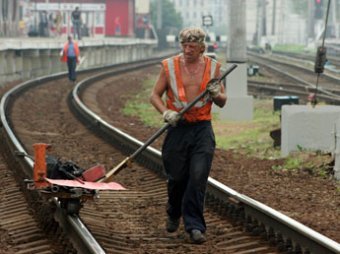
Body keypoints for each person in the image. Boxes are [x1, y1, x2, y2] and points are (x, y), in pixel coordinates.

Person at [149, 27, 226, 244]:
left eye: (192, 46)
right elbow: (154, 95)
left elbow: (223, 100)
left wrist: (216, 93)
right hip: (177, 129)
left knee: (198, 175)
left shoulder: (213, 68)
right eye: (184, 45)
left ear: (202, 47)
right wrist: (165, 112)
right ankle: (174, 211)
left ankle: (194, 226)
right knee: (177, 177)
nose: (187, 49)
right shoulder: (170, 66)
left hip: (202, 129)